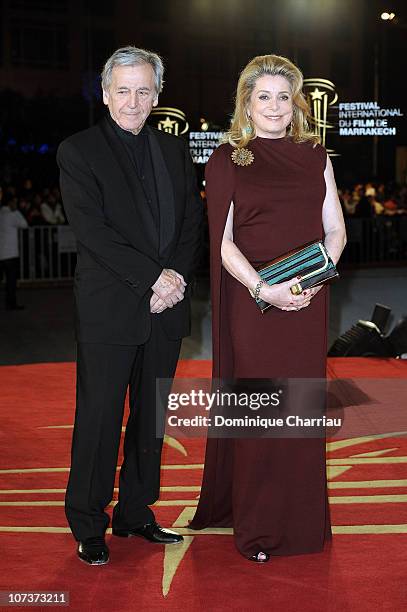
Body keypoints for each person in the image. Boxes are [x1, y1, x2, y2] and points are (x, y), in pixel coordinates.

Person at [190, 54, 346, 562]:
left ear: (295, 103)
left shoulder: (315, 155)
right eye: (264, 97)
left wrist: (317, 277)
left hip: (307, 298)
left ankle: (301, 525)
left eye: (284, 96)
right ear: (247, 104)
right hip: (254, 303)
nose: (275, 106)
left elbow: (336, 229)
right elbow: (224, 242)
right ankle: (257, 529)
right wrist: (264, 289)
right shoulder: (227, 158)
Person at [57, 46, 202, 565]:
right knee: (98, 418)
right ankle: (88, 523)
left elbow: (191, 224)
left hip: (166, 307)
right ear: (105, 92)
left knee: (150, 420)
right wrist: (152, 278)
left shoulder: (174, 150)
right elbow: (92, 232)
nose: (133, 100)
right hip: (110, 309)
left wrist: (177, 278)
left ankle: (136, 513)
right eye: (123, 90)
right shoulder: (78, 152)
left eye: (144, 90)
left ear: (158, 95)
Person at [0, 193, 28, 310]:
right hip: (10, 254)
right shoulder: (12, 214)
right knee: (11, 282)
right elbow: (24, 225)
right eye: (14, 202)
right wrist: (16, 211)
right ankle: (11, 304)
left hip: (1, 253)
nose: (16, 204)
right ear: (10, 203)